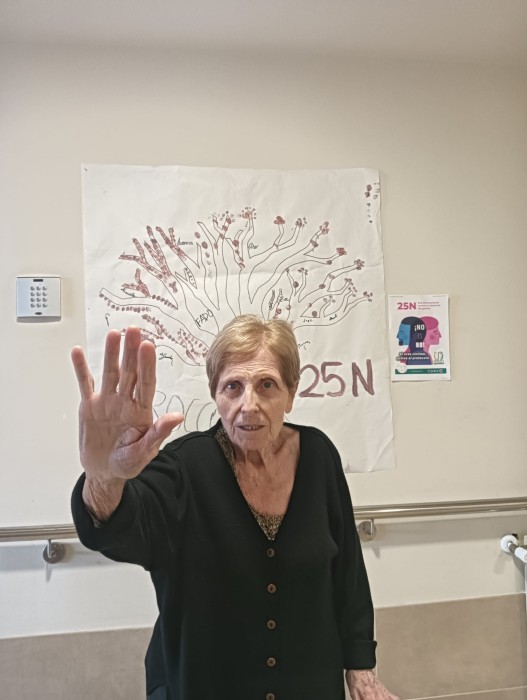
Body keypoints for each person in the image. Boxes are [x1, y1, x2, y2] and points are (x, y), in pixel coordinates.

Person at [71, 316, 398, 700]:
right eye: (233, 386)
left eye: (267, 385)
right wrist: (104, 479)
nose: (249, 405)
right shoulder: (183, 466)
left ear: (291, 393)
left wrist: (360, 665)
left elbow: (347, 571)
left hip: (309, 684)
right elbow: (123, 527)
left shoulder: (318, 454)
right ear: (215, 393)